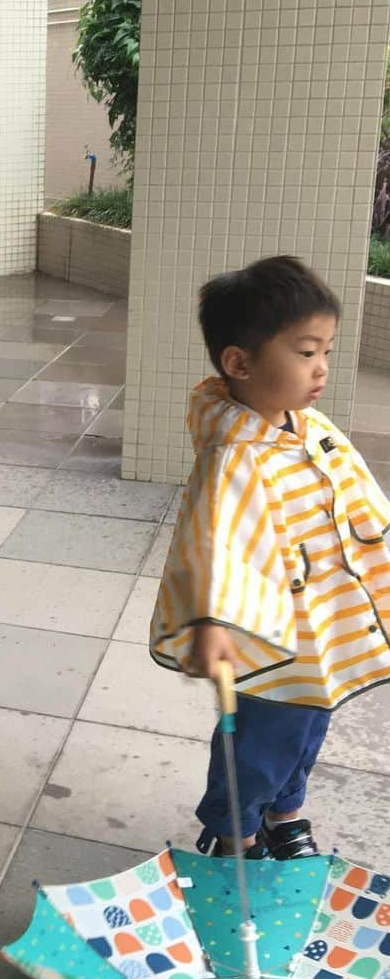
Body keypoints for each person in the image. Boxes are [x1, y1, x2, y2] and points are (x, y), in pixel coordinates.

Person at [151, 256, 390, 859]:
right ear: (240, 362)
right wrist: (209, 620)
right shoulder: (234, 455)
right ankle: (235, 835)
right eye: (307, 352)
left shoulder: (307, 427)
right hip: (268, 639)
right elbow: (213, 540)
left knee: (309, 728)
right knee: (258, 745)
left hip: (322, 631)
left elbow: (359, 499)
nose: (322, 369)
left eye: (326, 352)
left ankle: (287, 818)